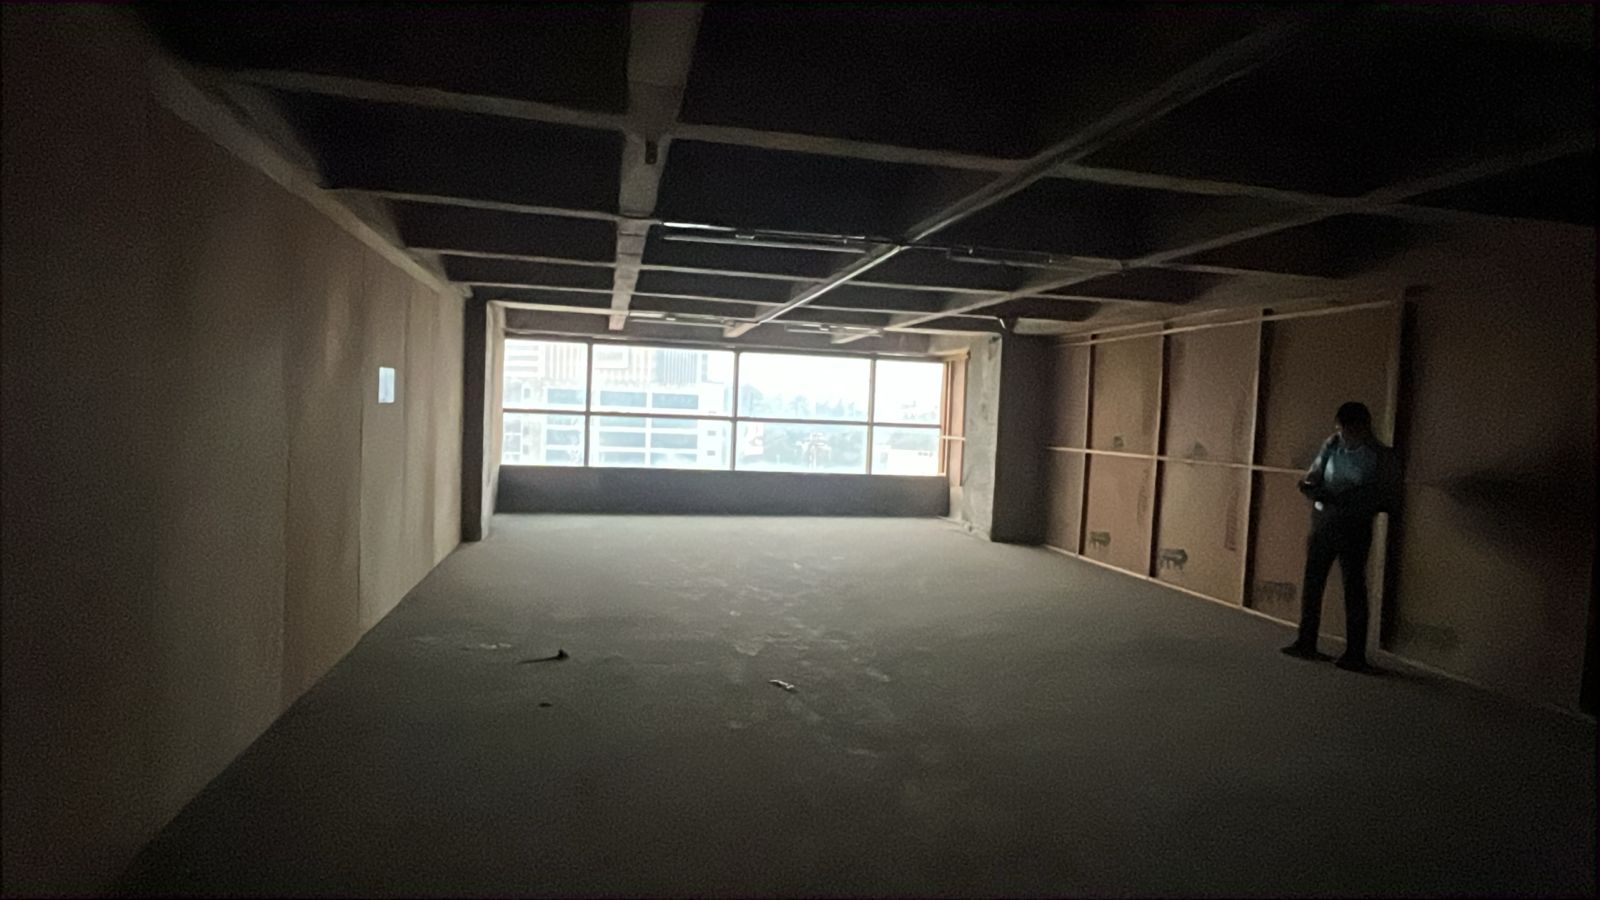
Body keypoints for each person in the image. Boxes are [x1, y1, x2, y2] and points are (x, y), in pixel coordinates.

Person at [1281, 401, 1401, 672]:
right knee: (1313, 581)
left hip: (1354, 526)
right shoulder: (1333, 444)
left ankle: (1355, 653)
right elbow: (1314, 474)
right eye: (1341, 429)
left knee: (1353, 586)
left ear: (1364, 428)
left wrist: (1354, 499)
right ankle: (1306, 641)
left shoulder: (1378, 455)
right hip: (1324, 521)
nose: (1345, 435)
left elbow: (1384, 496)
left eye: (1350, 430)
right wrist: (1312, 488)